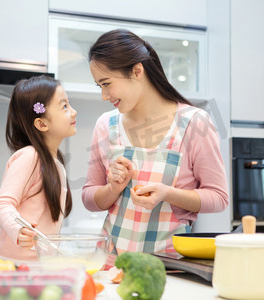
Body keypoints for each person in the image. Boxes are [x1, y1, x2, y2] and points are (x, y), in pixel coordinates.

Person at [82, 29, 229, 268]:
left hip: (172, 269)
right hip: (111, 266)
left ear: (137, 71)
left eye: (107, 84)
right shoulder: (106, 125)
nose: (103, 95)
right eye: (99, 85)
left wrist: (168, 194)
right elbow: (89, 198)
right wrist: (112, 188)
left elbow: (219, 198)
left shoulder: (194, 123)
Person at [0, 75, 77, 263]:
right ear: (41, 123)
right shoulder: (30, 156)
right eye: (64, 106)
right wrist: (17, 229)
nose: (73, 112)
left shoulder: (54, 162)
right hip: (6, 264)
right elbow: (2, 204)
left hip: (31, 265)